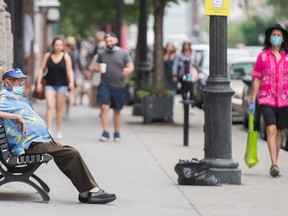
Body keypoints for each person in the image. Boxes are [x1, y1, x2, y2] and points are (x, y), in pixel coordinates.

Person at [0, 68, 116, 204]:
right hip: (28, 145)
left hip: (38, 141)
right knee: (70, 153)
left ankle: (87, 191)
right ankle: (91, 191)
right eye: (18, 81)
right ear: (8, 82)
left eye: (22, 80)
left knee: (66, 153)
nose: (21, 83)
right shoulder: (4, 96)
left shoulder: (14, 96)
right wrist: (16, 116)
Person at [249, 23, 288, 177]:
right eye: (274, 35)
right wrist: (253, 100)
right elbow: (257, 79)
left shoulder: (287, 58)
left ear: (283, 39)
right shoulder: (262, 56)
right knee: (270, 129)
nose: (276, 38)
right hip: (266, 99)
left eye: (279, 35)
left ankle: (275, 162)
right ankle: (274, 164)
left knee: (279, 131)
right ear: (269, 38)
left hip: (284, 100)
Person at [94, 32, 134, 142]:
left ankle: (117, 132)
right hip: (105, 84)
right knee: (104, 107)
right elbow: (96, 65)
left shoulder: (123, 53)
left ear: (116, 40)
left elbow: (130, 65)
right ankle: (105, 132)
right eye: (107, 41)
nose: (109, 43)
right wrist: (97, 69)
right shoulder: (101, 53)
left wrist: (128, 70)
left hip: (119, 85)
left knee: (117, 110)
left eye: (111, 41)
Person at [35, 36, 74, 140]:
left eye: (60, 45)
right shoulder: (48, 56)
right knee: (49, 106)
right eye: (56, 44)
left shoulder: (66, 56)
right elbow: (41, 70)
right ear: (53, 46)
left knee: (59, 108)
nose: (58, 47)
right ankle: (49, 129)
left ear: (63, 46)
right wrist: (38, 83)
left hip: (62, 85)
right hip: (49, 84)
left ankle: (59, 130)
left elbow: (69, 70)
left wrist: (71, 82)